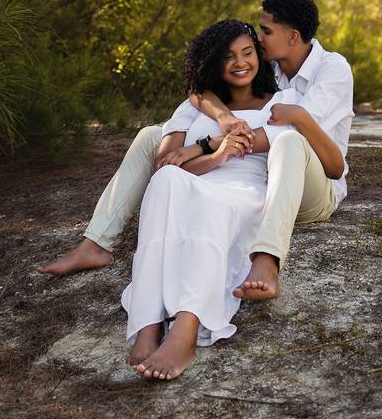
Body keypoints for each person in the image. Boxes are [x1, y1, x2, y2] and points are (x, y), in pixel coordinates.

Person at [37, 0, 354, 304]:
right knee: (151, 134)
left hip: (312, 186)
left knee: (289, 140)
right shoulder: (269, 65)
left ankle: (267, 259)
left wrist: (204, 146)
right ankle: (95, 243)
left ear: (292, 36)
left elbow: (291, 129)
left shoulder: (332, 70)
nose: (257, 38)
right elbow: (199, 89)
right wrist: (224, 117)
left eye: (266, 31)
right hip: (263, 180)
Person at [122, 19, 345, 380]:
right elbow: (168, 165)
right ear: (213, 62)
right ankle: (147, 324)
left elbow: (321, 160)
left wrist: (222, 151)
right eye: (228, 57)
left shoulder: (284, 103)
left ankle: (186, 327)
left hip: (247, 190)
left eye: (247, 53)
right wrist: (217, 155)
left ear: (258, 55)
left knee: (211, 206)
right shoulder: (199, 106)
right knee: (163, 182)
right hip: (202, 177)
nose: (241, 63)